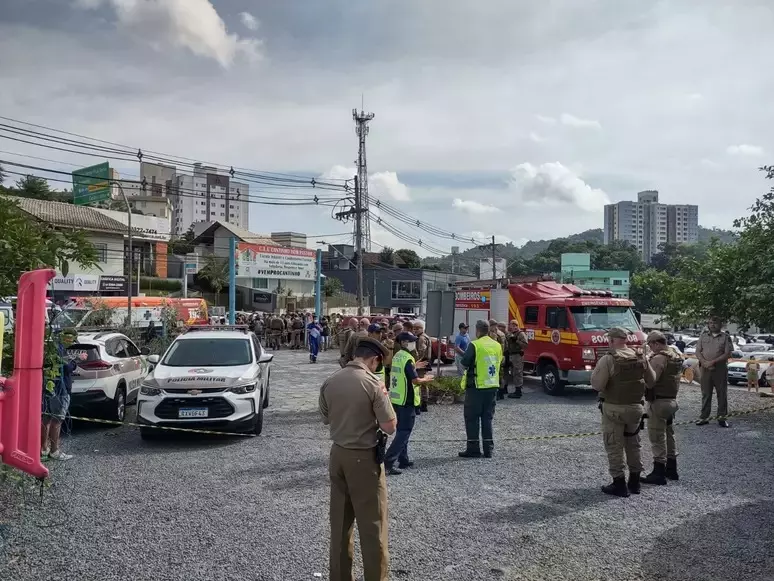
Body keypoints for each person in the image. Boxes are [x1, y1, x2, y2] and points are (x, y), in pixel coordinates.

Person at [319, 338, 396, 581]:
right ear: (374, 359)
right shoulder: (373, 383)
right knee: (373, 525)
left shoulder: (331, 380)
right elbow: (390, 426)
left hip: (338, 454)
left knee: (340, 525)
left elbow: (325, 417)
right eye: (377, 364)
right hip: (364, 458)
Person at [591, 327, 655, 497]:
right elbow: (652, 380)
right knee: (633, 444)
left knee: (614, 445)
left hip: (613, 409)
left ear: (611, 340)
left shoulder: (608, 359)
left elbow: (597, 385)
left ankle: (619, 483)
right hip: (635, 409)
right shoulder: (640, 356)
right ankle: (635, 481)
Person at [385, 332, 434, 475]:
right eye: (411, 341)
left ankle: (403, 459)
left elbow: (405, 372)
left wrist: (415, 365)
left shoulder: (398, 356)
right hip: (407, 400)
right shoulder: (407, 358)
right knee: (404, 432)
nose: (413, 343)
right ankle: (388, 462)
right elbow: (415, 380)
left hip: (397, 399)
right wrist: (427, 379)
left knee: (402, 430)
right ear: (405, 342)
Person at [458, 320, 503, 459]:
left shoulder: (475, 345)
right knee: (487, 418)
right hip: (492, 387)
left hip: (476, 387)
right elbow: (499, 361)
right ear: (488, 330)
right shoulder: (497, 345)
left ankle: (473, 449)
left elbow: (465, 361)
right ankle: (488, 449)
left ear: (477, 330)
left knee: (472, 419)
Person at [642, 331, 682, 485]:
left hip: (658, 402)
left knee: (657, 436)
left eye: (650, 345)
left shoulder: (658, 358)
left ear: (656, 343)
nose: (650, 348)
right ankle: (672, 469)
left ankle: (658, 472)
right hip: (671, 400)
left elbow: (651, 381)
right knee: (669, 434)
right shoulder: (675, 355)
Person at [41, 328, 85, 461]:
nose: (71, 343)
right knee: (57, 420)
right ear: (67, 338)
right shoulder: (59, 349)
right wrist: (77, 360)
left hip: (49, 388)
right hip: (61, 390)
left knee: (46, 419)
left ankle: (43, 450)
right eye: (71, 340)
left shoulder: (50, 347)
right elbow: (66, 367)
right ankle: (55, 451)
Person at [695, 316, 734, 427]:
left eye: (715, 323)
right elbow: (698, 351)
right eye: (711, 323)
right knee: (706, 394)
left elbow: (727, 353)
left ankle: (722, 418)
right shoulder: (703, 336)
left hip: (720, 369)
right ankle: (704, 417)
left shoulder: (725, 337)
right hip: (705, 369)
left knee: (721, 394)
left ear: (720, 325)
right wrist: (704, 362)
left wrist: (712, 362)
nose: (712, 325)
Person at [505, 319, 529, 399]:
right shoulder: (511, 333)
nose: (510, 327)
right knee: (513, 373)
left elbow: (525, 345)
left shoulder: (521, 334)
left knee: (517, 373)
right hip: (512, 355)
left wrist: (517, 340)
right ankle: (514, 389)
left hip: (518, 355)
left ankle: (518, 392)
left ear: (515, 325)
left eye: (511, 325)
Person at [412, 320, 432, 412]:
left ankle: (422, 403)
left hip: (421, 363)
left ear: (421, 328)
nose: (414, 330)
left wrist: (416, 362)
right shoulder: (426, 337)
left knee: (420, 382)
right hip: (425, 362)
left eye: (417, 328)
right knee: (423, 383)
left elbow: (421, 351)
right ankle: (423, 402)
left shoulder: (421, 338)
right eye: (414, 328)